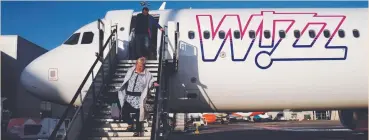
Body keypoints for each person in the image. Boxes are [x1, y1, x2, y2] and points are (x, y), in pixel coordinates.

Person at [117, 57, 159, 137]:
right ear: (136, 64)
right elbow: (126, 80)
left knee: (139, 116)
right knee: (123, 111)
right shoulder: (131, 71)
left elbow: (152, 82)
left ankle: (138, 131)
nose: (140, 68)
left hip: (139, 98)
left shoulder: (147, 74)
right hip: (128, 97)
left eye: (142, 66)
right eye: (139, 66)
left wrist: (156, 84)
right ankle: (130, 123)